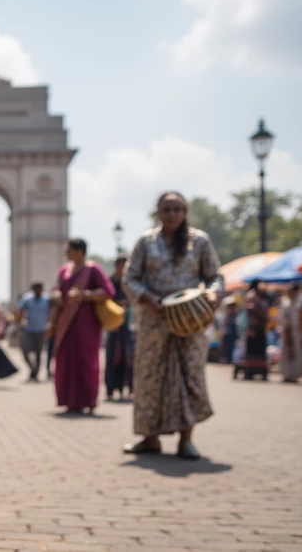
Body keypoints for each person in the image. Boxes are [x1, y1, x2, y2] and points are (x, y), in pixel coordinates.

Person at [122, 191, 222, 460]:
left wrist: (212, 295)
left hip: (191, 321)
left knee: (190, 376)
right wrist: (148, 298)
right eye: (167, 209)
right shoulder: (145, 241)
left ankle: (186, 439)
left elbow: (215, 277)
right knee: (149, 377)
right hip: (154, 321)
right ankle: (149, 437)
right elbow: (129, 278)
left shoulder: (199, 241)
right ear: (158, 212)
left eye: (177, 209)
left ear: (185, 212)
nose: (172, 214)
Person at [47, 239, 115, 414]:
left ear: (79, 251)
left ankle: (88, 401)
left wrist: (84, 295)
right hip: (65, 324)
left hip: (87, 326)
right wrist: (55, 295)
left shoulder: (93, 269)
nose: (66, 253)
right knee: (65, 362)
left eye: (68, 250)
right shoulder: (64, 270)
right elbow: (57, 289)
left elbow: (108, 292)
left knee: (86, 363)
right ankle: (69, 401)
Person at [105, 255, 132, 400]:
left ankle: (124, 388)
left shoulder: (130, 283)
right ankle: (110, 388)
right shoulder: (110, 282)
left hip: (127, 327)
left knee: (127, 358)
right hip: (113, 326)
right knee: (111, 357)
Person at [17, 282, 50, 381]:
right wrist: (20, 321)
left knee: (39, 352)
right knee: (25, 349)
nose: (38, 291)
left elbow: (52, 312)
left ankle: (35, 374)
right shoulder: (27, 299)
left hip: (41, 329)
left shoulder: (46, 299)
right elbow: (20, 311)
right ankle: (33, 368)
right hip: (28, 329)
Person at [236, 280, 269, 380]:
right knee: (253, 351)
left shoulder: (259, 296)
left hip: (258, 327)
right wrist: (262, 317)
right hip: (254, 327)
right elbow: (251, 309)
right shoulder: (252, 295)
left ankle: (257, 370)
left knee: (258, 351)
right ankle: (250, 371)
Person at [278, 284, 302, 383]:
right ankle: (286, 374)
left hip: (297, 330)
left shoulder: (300, 302)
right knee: (286, 352)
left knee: (297, 352)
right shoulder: (285, 302)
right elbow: (282, 318)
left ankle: (295, 374)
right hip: (287, 330)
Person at [220, 299, 239, 364]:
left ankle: (229, 359)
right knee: (227, 346)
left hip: (232, 333)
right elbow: (225, 323)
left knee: (231, 346)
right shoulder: (228, 313)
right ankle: (227, 359)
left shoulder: (235, 313)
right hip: (228, 333)